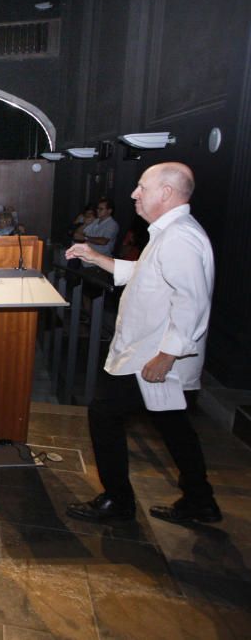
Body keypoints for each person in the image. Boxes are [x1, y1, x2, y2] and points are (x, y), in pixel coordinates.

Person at [64, 162, 221, 525]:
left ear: (166, 193)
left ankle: (117, 501)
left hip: (152, 357)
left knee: (103, 414)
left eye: (141, 187)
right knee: (174, 426)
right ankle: (200, 500)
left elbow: (191, 300)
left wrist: (167, 355)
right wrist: (97, 257)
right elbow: (146, 274)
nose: (134, 194)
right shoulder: (169, 233)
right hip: (151, 353)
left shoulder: (179, 236)